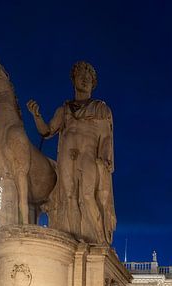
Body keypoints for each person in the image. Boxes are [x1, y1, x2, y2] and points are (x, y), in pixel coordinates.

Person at [27, 61, 115, 244]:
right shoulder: (64, 109)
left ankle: (100, 239)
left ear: (93, 83)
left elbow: (106, 137)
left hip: (88, 155)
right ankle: (75, 240)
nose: (84, 80)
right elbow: (47, 131)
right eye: (81, 76)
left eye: (88, 78)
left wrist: (105, 158)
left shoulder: (100, 108)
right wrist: (36, 116)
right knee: (69, 198)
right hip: (67, 156)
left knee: (87, 195)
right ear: (73, 79)